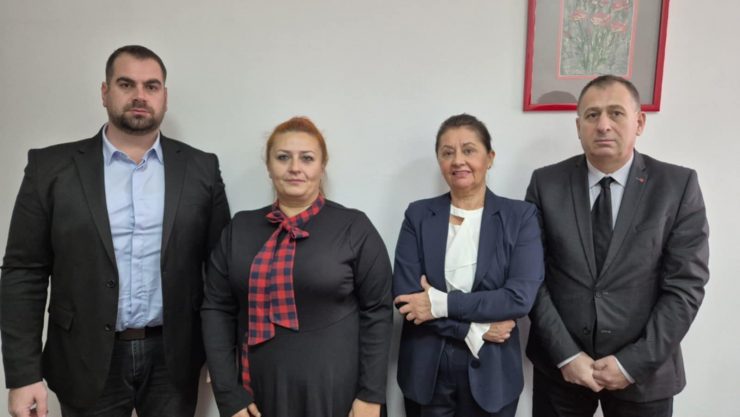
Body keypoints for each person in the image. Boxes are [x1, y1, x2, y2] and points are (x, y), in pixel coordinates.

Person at [0, 45, 230, 417]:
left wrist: (224, 356)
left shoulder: (201, 169)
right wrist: (23, 375)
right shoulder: (50, 169)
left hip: (173, 359)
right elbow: (23, 272)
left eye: (151, 86)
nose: (140, 95)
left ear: (164, 97)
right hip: (84, 357)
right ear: (105, 92)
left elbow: (221, 272)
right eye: (126, 84)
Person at [525, 75, 709, 417]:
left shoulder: (677, 186)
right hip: (561, 369)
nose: (603, 125)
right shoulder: (545, 183)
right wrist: (566, 355)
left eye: (616, 113)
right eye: (592, 115)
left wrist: (631, 363)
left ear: (639, 122)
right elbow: (531, 278)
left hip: (645, 374)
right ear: (578, 126)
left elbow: (686, 286)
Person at [202, 116, 393, 417]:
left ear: (322, 166)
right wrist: (228, 395)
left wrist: (371, 394)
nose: (294, 167)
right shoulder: (240, 228)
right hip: (257, 394)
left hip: (337, 393)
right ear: (268, 166)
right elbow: (216, 308)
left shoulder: (354, 227)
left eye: (307, 158)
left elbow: (378, 311)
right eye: (283, 157)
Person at [393, 114, 544, 417]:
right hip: (426, 372)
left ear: (490, 158)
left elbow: (518, 298)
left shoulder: (520, 217)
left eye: (469, 150)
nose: (458, 160)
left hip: (494, 375)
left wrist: (439, 304)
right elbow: (408, 298)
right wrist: (474, 330)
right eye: (447, 152)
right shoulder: (418, 215)